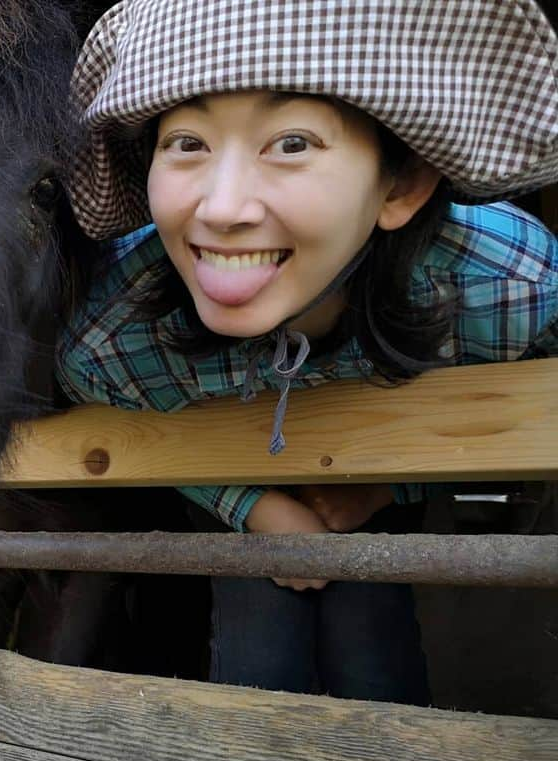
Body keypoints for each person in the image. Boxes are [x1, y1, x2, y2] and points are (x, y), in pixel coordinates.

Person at [57, 0, 558, 703]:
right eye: (188, 142)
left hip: (387, 468)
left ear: (403, 183)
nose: (223, 208)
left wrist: (388, 486)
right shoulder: (115, 335)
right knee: (260, 641)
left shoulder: (511, 289)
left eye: (291, 142)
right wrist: (251, 504)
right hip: (221, 467)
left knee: (371, 636)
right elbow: (110, 410)